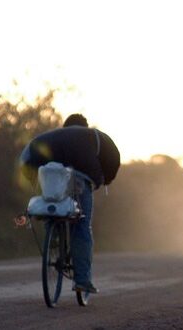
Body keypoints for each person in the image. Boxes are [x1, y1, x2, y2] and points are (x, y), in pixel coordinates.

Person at [19, 114, 120, 293]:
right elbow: (113, 158)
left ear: (64, 126)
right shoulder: (95, 135)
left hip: (51, 179)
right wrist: (106, 180)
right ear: (85, 126)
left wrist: (35, 184)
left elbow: (26, 158)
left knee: (52, 210)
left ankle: (54, 236)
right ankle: (82, 280)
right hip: (81, 179)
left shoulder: (50, 136)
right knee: (81, 225)